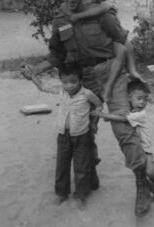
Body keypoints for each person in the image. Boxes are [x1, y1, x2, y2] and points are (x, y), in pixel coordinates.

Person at [21, 0, 152, 216]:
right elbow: (56, 56)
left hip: (110, 73)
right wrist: (35, 70)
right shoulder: (60, 21)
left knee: (124, 129)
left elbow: (123, 40)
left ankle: (142, 184)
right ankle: (90, 179)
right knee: (85, 131)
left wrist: (131, 69)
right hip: (86, 80)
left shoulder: (99, 13)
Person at [27, 62, 103, 208]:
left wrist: (94, 122)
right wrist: (32, 76)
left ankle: (81, 196)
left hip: (82, 136)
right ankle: (62, 194)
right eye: (65, 82)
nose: (69, 85)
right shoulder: (61, 90)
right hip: (63, 135)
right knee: (62, 166)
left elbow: (99, 105)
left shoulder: (87, 94)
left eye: (73, 82)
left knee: (81, 167)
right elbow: (43, 87)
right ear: (61, 81)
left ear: (80, 80)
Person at [63, 0, 143, 102]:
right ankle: (109, 88)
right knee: (122, 49)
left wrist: (78, 16)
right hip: (101, 42)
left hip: (115, 32)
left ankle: (132, 70)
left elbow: (103, 9)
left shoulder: (109, 2)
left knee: (125, 47)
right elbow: (68, 6)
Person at [91, 78, 154, 202]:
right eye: (139, 98)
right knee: (142, 170)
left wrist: (103, 115)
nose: (143, 102)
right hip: (136, 147)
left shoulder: (141, 114)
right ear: (129, 98)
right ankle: (151, 190)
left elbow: (123, 119)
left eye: (145, 99)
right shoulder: (129, 110)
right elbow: (119, 115)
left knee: (150, 172)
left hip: (146, 148)